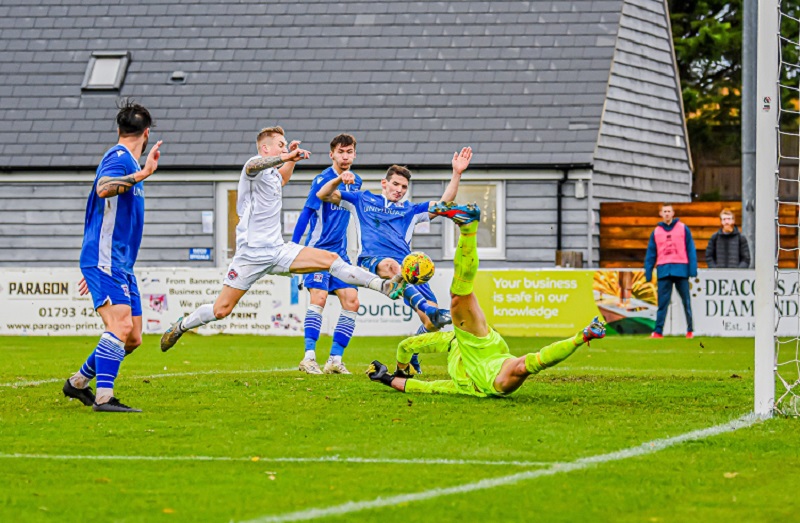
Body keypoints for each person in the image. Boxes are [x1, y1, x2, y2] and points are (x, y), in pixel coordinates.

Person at [160, 126, 405, 352]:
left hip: (277, 250)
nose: (284, 147)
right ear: (266, 148)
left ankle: (383, 285)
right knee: (221, 310)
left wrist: (292, 160)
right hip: (249, 256)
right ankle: (181, 326)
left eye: (286, 144)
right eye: (281, 144)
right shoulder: (254, 166)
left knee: (331, 259)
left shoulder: (274, 176)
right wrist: (285, 157)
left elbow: (282, 178)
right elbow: (254, 167)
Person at [366, 202, 606, 397]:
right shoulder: (468, 385)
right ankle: (468, 229)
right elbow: (423, 385)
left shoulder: (455, 362)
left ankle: (468, 229)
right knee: (526, 364)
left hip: (471, 343)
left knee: (459, 297)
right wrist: (389, 377)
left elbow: (414, 366)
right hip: (487, 364)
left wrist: (392, 375)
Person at [317, 147, 473, 373]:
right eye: (395, 184)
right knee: (391, 266)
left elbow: (444, 205)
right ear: (384, 183)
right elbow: (323, 194)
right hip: (373, 260)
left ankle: (413, 351)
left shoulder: (410, 210)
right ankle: (418, 304)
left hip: (410, 268)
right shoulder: (362, 199)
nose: (399, 190)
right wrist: (340, 179)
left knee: (432, 323)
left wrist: (457, 173)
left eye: (403, 187)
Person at [62, 100, 163, 413]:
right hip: (106, 259)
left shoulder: (129, 163)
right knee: (118, 328)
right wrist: (145, 173)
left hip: (116, 262)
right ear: (146, 133)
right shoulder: (118, 157)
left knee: (132, 337)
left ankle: (78, 382)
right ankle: (104, 398)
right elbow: (104, 188)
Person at [292, 133, 363, 375]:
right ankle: (308, 357)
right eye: (341, 152)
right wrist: (293, 245)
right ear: (331, 154)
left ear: (354, 154)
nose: (345, 156)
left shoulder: (357, 181)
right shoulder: (321, 179)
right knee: (319, 299)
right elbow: (306, 213)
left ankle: (335, 359)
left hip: (340, 254)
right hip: (317, 251)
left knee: (352, 302)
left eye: (349, 152)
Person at [644, 203, 697, 339]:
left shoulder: (683, 229)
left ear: (673, 213)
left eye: (669, 211)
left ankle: (690, 330)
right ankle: (658, 331)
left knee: (686, 301)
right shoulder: (656, 232)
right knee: (662, 304)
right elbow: (651, 253)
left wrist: (692, 269)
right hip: (664, 269)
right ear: (661, 214)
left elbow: (690, 249)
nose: (667, 214)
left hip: (681, 269)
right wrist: (648, 272)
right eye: (664, 211)